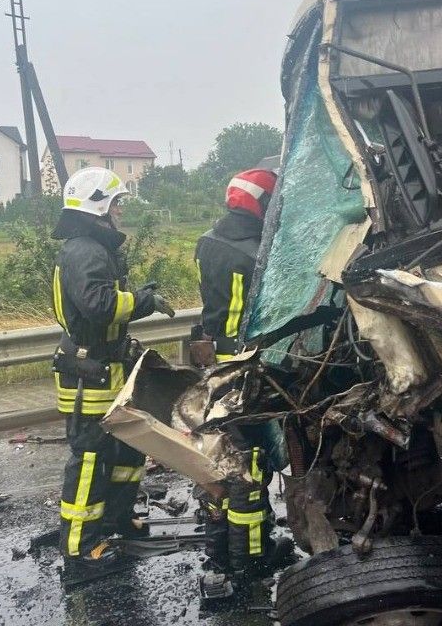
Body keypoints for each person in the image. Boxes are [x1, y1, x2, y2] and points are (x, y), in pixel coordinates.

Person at [51, 167, 175, 570]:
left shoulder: (93, 246)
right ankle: (79, 546)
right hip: (90, 373)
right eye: (116, 203)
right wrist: (143, 301)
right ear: (98, 206)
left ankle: (116, 518)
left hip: (107, 366)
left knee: (125, 450)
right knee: (89, 457)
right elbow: (99, 305)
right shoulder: (84, 249)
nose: (120, 210)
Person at [193, 168, 276, 581]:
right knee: (251, 465)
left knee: (221, 458)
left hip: (217, 367)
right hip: (247, 368)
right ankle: (251, 560)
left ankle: (220, 549)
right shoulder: (257, 252)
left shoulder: (208, 240)